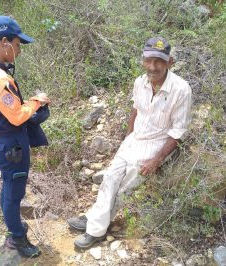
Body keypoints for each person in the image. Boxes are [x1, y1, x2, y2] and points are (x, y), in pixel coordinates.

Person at [68, 37, 192, 249]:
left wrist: (157, 160)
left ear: (170, 62)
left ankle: (96, 229)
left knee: (124, 187)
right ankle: (94, 217)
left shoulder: (181, 89)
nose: (152, 67)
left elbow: (178, 132)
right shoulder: (139, 82)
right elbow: (136, 110)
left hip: (157, 142)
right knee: (109, 177)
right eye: (148, 60)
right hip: (134, 140)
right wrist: (127, 137)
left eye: (159, 61)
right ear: (143, 60)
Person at [0, 15, 51, 258]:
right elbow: (17, 116)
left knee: (10, 188)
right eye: (17, 44)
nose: (19, 50)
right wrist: (37, 101)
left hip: (3, 141)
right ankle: (18, 238)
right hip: (10, 145)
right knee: (14, 192)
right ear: (4, 42)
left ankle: (13, 228)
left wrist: (30, 104)